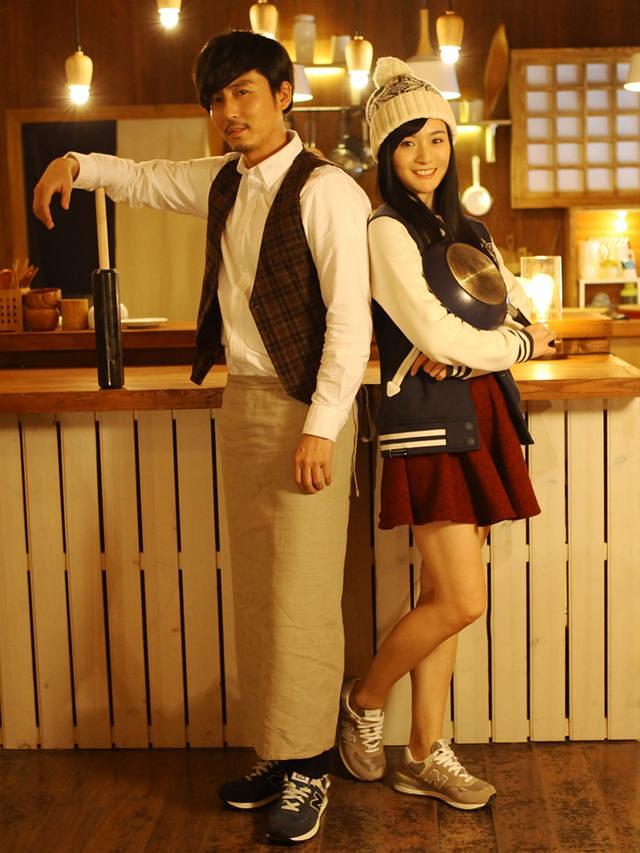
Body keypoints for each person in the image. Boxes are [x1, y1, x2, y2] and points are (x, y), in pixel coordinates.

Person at [33, 31, 372, 845]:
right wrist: (75, 162)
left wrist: (321, 425)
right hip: (245, 400)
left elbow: (351, 321)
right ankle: (276, 751)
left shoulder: (327, 189)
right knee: (258, 591)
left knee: (301, 594)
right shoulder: (225, 179)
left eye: (243, 93)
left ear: (284, 95)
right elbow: (145, 179)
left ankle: (310, 767)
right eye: (217, 100)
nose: (228, 112)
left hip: (307, 407)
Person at [337, 57, 555, 810]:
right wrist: (503, 343)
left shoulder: (471, 229)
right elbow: (435, 332)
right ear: (385, 153)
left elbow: (527, 312)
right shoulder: (385, 229)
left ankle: (424, 752)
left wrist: (495, 344)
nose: (424, 155)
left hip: (482, 414)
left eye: (435, 137)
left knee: (442, 594)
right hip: (427, 424)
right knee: (462, 601)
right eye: (406, 142)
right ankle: (365, 700)